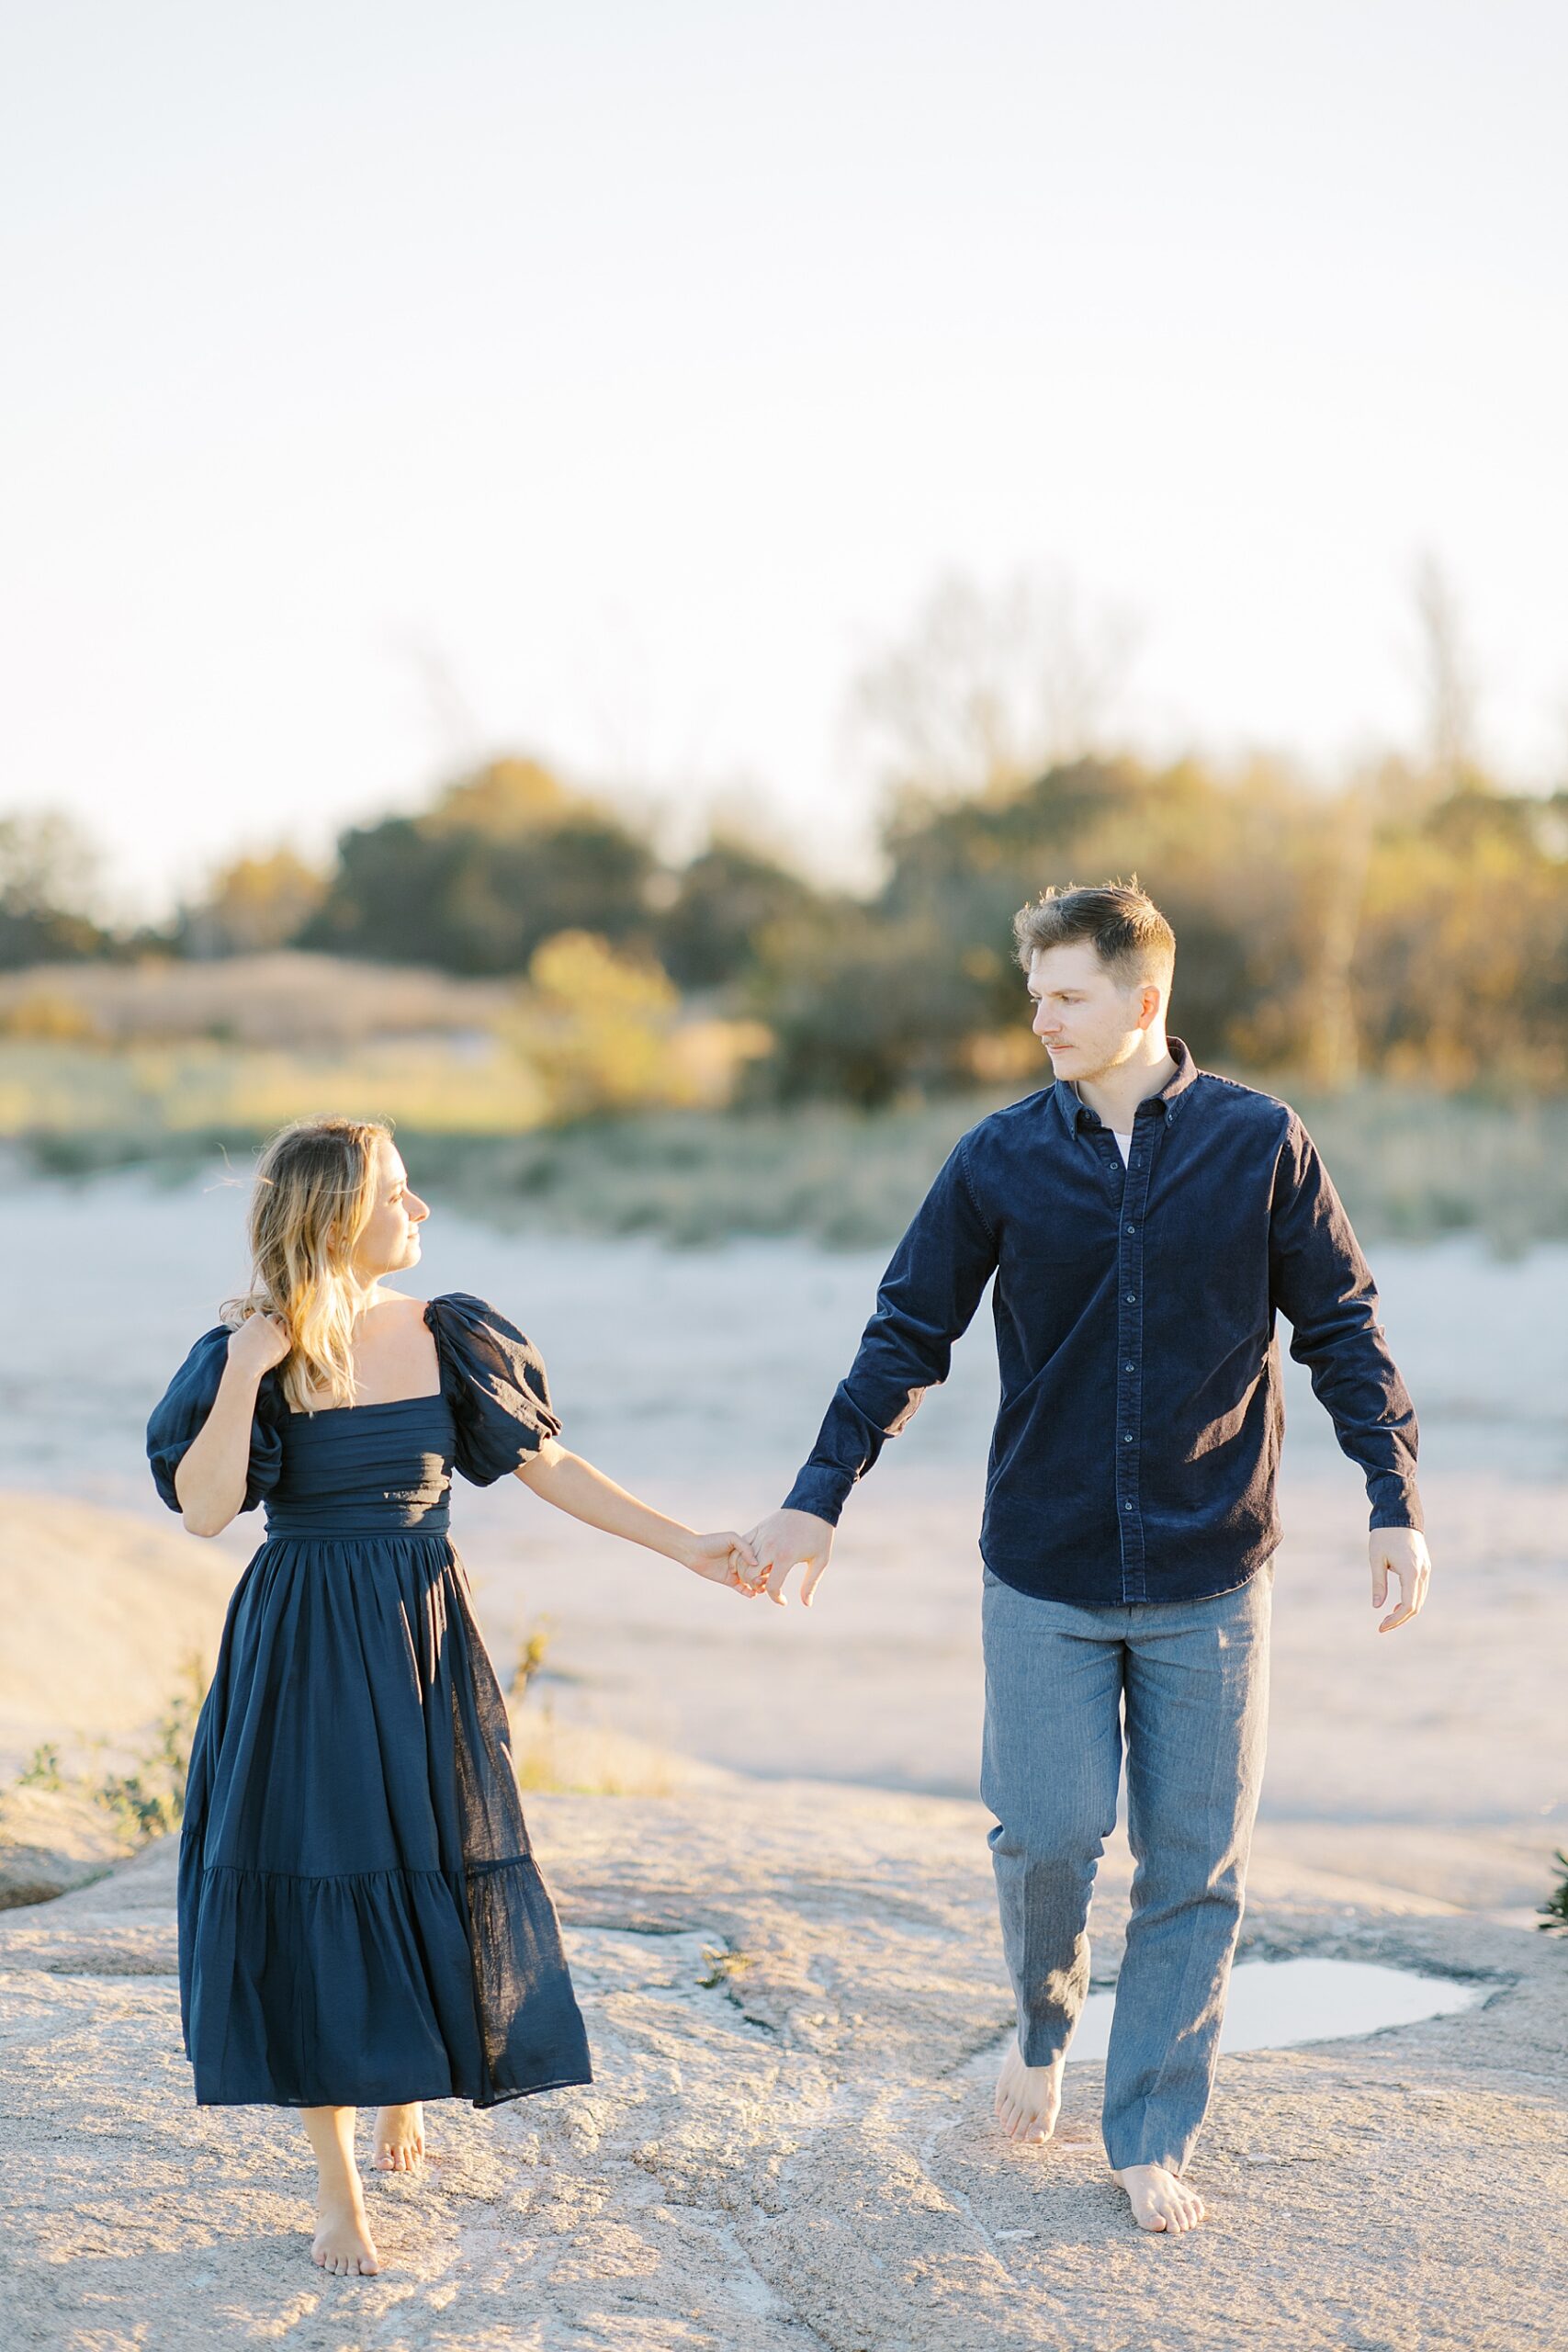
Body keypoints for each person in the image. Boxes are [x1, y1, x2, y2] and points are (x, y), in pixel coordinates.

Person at [742, 880, 1431, 2238]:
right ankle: (1043, 2023)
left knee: (1192, 1866)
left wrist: (1391, 1496)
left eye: (1065, 997)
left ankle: (1149, 2127)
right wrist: (817, 1496)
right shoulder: (997, 1158)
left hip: (1211, 1567)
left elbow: (1340, 1327)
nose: (1040, 1019)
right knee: (1045, 1836)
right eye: (1033, 996)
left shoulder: (1259, 1144)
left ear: (1143, 1001)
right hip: (1044, 1569)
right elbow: (903, 1334)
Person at [147, 1113, 761, 2278]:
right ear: (336, 1216)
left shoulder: (447, 1332)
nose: (418, 1210)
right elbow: (205, 1509)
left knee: (427, 1856)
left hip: (424, 1632)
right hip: (304, 1639)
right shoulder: (243, 1348)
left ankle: (404, 2086)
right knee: (318, 1872)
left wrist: (686, 1544)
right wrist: (243, 1373)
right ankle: (339, 2195)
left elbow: (550, 1464)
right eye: (397, 1193)